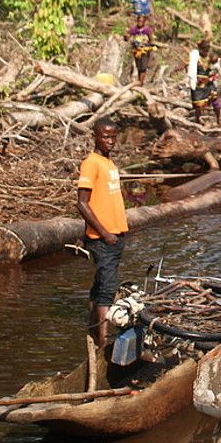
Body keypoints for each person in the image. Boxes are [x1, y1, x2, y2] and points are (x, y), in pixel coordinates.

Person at [76, 117, 128, 351]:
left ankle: (92, 331)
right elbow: (82, 203)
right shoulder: (91, 163)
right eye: (105, 137)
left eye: (113, 137)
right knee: (107, 288)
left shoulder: (109, 163)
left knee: (100, 286)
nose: (110, 141)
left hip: (115, 235)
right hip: (103, 238)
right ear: (95, 137)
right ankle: (105, 341)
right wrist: (104, 233)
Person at [186, 38, 221, 123]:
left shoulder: (210, 57)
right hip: (198, 85)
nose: (206, 52)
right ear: (200, 49)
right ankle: (197, 120)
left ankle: (218, 120)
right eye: (204, 51)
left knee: (215, 102)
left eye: (207, 51)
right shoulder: (195, 58)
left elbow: (216, 68)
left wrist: (212, 74)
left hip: (208, 83)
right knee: (198, 105)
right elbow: (190, 69)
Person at [128, 14, 155, 86]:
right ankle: (139, 81)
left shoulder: (147, 30)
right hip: (136, 50)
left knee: (143, 67)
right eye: (139, 21)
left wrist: (151, 46)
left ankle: (141, 83)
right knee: (138, 66)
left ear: (144, 22)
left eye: (142, 21)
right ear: (137, 21)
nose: (140, 23)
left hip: (144, 50)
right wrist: (126, 37)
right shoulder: (134, 29)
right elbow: (127, 36)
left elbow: (151, 39)